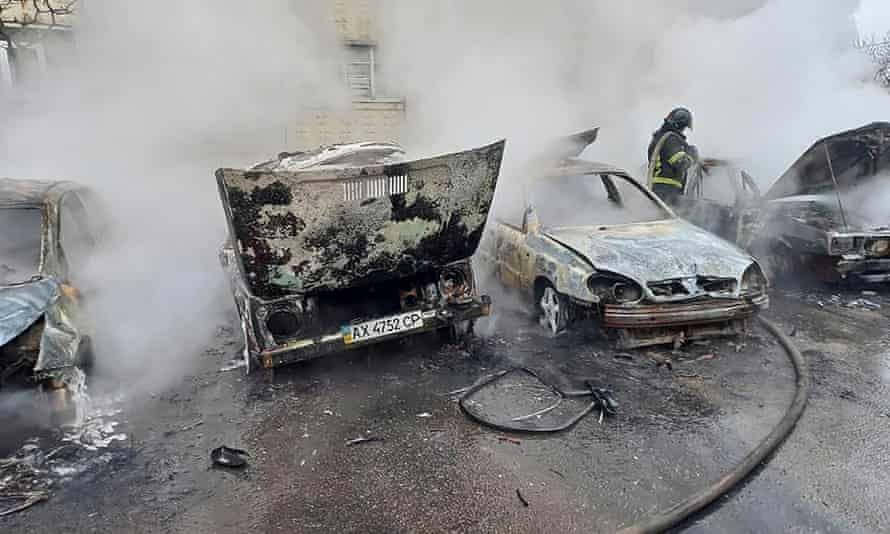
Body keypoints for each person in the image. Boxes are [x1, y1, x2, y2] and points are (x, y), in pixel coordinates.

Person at [647, 107, 696, 207]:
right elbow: (681, 163)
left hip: (659, 192)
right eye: (684, 128)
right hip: (666, 193)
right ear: (680, 125)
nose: (683, 131)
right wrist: (692, 154)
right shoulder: (670, 139)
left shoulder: (661, 138)